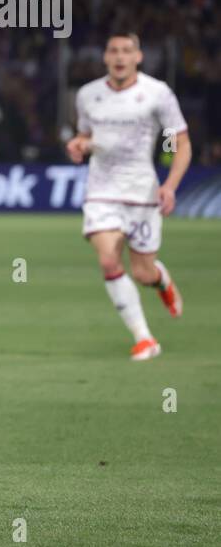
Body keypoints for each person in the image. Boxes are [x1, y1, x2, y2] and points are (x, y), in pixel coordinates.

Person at [66, 32, 189, 361]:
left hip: (142, 192)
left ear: (138, 57)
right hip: (101, 191)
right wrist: (78, 144)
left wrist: (170, 185)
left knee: (142, 273)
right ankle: (144, 338)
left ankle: (160, 279)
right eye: (114, 51)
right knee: (108, 260)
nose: (120, 57)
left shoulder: (157, 92)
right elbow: (85, 134)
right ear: (105, 57)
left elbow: (181, 141)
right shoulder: (88, 95)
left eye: (127, 51)